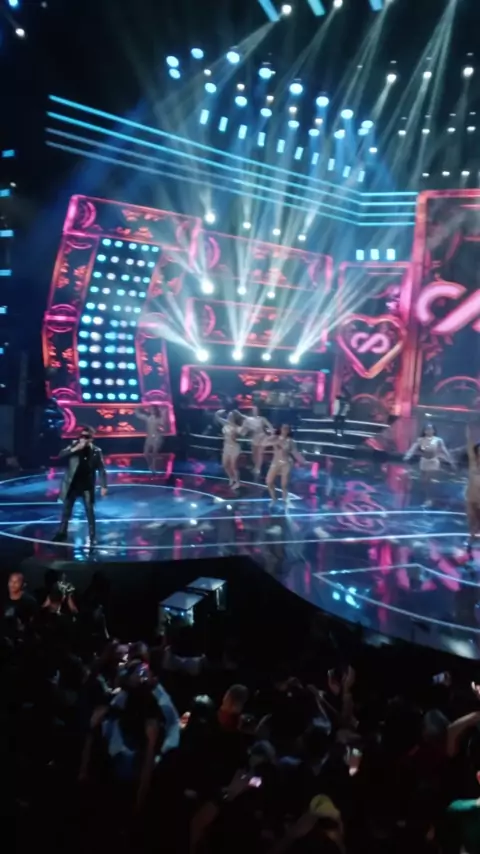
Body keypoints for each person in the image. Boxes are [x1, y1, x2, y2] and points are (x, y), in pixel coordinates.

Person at [53, 426, 107, 547]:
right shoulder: (73, 446)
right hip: (72, 484)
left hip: (87, 485)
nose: (83, 439)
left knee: (90, 511)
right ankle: (62, 533)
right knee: (66, 511)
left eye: (86, 437)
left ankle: (92, 535)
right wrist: (75, 449)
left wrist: (104, 485)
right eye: (81, 436)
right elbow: (61, 455)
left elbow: (101, 469)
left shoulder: (96, 451)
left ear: (91, 439)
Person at [404, 423, 454, 508]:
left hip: (433, 462)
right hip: (424, 461)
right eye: (427, 429)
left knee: (428, 480)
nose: (429, 431)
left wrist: (450, 460)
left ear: (434, 431)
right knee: (424, 482)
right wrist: (408, 455)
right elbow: (413, 448)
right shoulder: (420, 440)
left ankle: (429, 499)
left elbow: (444, 450)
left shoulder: (438, 440)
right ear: (424, 431)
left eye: (430, 429)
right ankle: (428, 497)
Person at [263, 425, 306, 508]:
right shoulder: (275, 438)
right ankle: (274, 498)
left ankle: (285, 501)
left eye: (287, 429)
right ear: (280, 429)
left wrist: (303, 461)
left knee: (284, 485)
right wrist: (272, 437)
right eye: (283, 428)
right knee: (269, 481)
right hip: (275, 462)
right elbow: (264, 443)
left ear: (289, 431)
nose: (285, 430)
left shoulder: (291, 441)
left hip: (286, 463)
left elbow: (295, 453)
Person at [215, 410, 245, 490]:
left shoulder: (237, 427)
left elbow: (243, 433)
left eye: (230, 416)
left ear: (234, 418)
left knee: (233, 466)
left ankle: (237, 482)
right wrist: (219, 411)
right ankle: (231, 478)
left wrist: (242, 416)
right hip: (226, 447)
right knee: (225, 465)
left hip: (234, 447)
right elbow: (217, 417)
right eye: (228, 415)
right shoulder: (225, 423)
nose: (228, 417)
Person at [241, 406, 274, 476]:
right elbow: (244, 431)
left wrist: (271, 435)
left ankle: (258, 468)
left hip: (262, 437)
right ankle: (256, 467)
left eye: (256, 410)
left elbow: (270, 426)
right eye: (253, 410)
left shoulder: (262, 419)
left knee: (259, 453)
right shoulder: (248, 420)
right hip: (254, 438)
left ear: (258, 411)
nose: (255, 411)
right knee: (254, 453)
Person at [3, 571, 37, 637]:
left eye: (16, 582)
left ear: (23, 584)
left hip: (22, 637)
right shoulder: (3, 597)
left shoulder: (29, 601)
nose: (13, 584)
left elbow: (35, 621)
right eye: (11, 581)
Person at [135, 404, 166, 472]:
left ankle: (154, 468)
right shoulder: (148, 418)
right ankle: (150, 465)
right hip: (149, 438)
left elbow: (162, 427)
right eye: (150, 409)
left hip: (157, 437)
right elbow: (139, 415)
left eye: (153, 409)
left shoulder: (159, 418)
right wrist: (137, 408)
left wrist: (160, 428)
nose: (151, 410)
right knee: (146, 453)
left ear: (156, 410)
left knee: (154, 453)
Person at [466, 425, 480, 554]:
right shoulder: (473, 465)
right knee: (472, 520)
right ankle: (471, 538)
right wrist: (469, 435)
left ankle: (473, 539)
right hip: (471, 498)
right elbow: (470, 450)